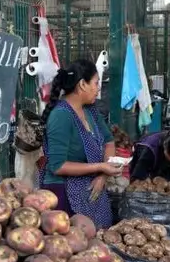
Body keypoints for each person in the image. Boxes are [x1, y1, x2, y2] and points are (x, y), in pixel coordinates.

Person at [39, 59, 120, 228]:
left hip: (92, 189)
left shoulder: (90, 110)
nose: (98, 89)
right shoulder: (61, 116)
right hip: (62, 193)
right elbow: (58, 166)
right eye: (96, 83)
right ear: (82, 84)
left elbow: (109, 142)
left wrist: (103, 176)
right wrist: (100, 167)